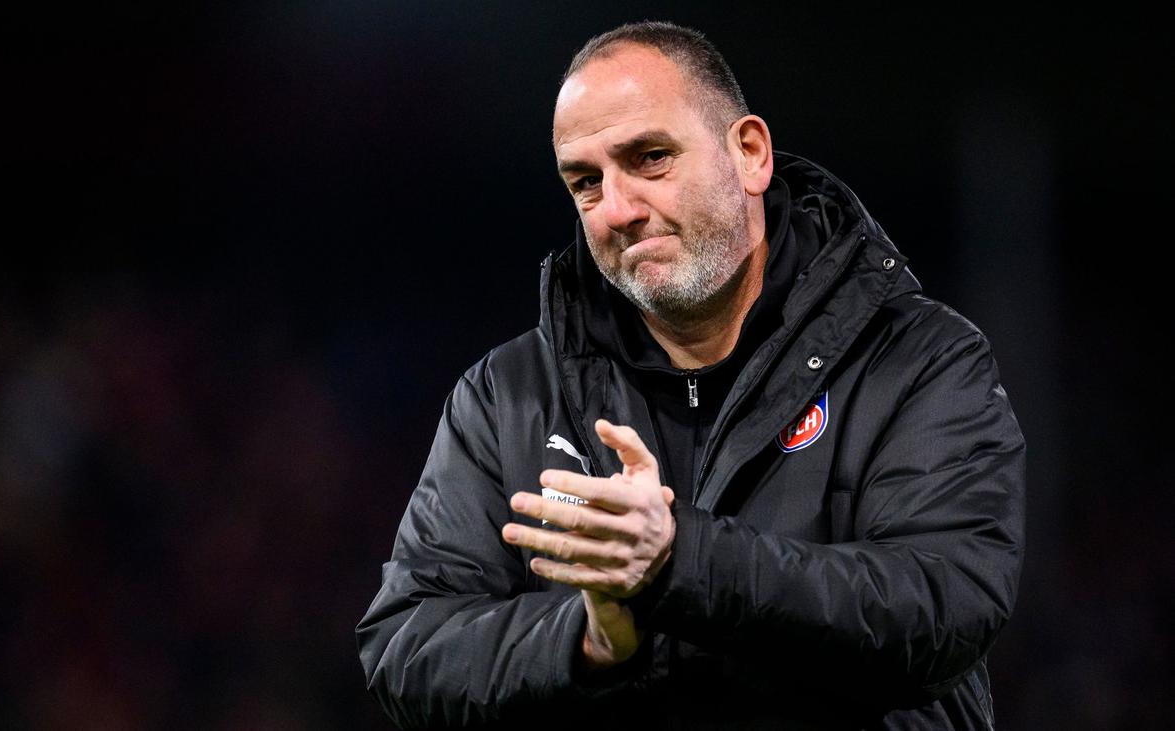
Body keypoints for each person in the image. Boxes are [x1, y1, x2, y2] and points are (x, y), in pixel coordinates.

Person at [357, 21, 1025, 730]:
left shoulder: (919, 359)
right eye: (586, 182)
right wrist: (589, 642)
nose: (618, 209)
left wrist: (678, 560)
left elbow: (944, 607)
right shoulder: (507, 396)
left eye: (650, 158)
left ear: (749, 154)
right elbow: (407, 647)